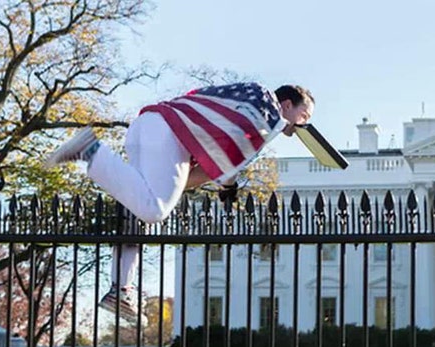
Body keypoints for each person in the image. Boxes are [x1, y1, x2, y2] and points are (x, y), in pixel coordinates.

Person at [45, 82, 314, 322]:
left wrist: (220, 183)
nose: (302, 126)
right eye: (304, 116)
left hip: (147, 124)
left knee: (140, 208)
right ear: (287, 105)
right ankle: (91, 150)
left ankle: (121, 289)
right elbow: (227, 165)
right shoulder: (267, 112)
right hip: (168, 134)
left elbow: (202, 172)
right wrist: (229, 184)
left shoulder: (244, 101)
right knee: (155, 210)